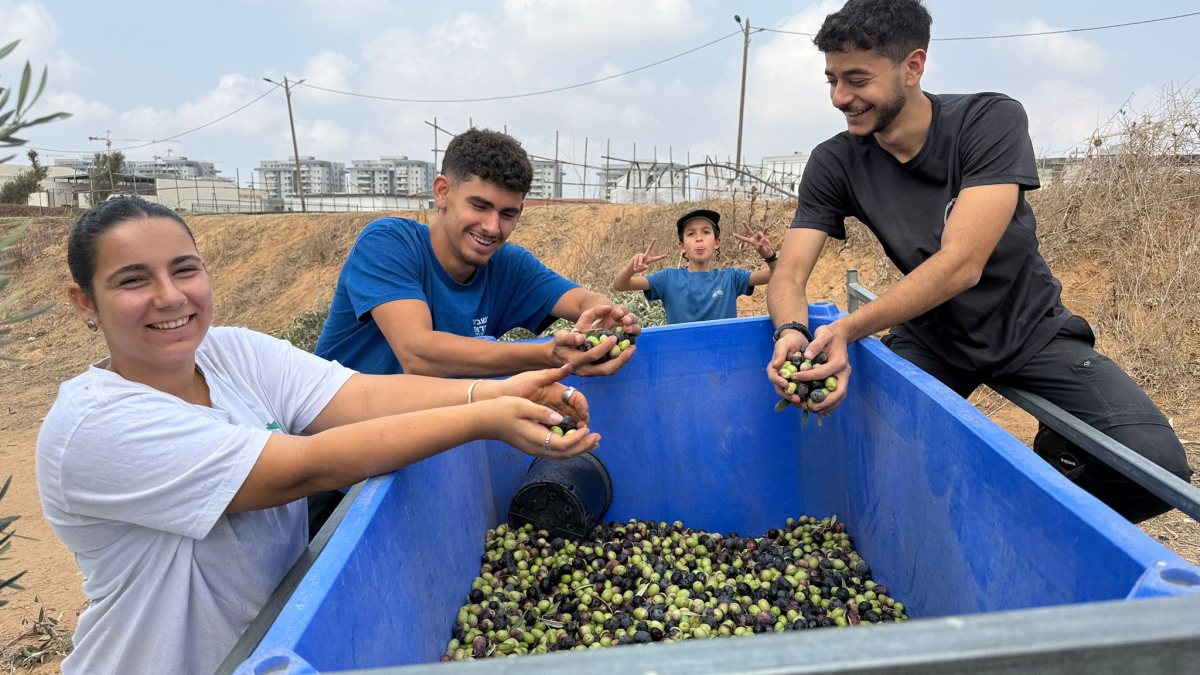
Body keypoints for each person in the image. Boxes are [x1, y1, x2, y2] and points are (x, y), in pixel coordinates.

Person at [37, 196, 600, 675]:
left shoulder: (232, 353)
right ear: (85, 301)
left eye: (184, 269)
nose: (170, 296)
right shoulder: (96, 426)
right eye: (133, 280)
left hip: (266, 645)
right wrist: (484, 417)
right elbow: (304, 467)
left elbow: (362, 397)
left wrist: (503, 391)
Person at [766, 0, 1192, 523]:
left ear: (913, 66)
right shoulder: (835, 161)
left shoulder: (986, 120)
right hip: (932, 337)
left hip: (1028, 330)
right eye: (831, 79)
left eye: (857, 80)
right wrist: (789, 329)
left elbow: (962, 262)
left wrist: (850, 328)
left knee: (1157, 472)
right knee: (885, 463)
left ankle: (1026, 518)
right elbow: (789, 272)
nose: (840, 97)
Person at [315, 127, 640, 379]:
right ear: (443, 192)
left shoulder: (509, 266)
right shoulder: (388, 243)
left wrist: (603, 316)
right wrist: (546, 355)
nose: (492, 227)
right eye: (479, 206)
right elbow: (417, 353)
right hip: (336, 445)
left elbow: (582, 301)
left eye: (507, 214)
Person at [612, 208, 778, 324]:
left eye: (706, 232)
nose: (699, 239)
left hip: (723, 359)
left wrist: (768, 255)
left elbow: (777, 275)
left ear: (717, 242)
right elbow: (620, 285)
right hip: (682, 358)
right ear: (682, 246)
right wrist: (631, 268)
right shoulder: (668, 278)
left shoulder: (730, 278)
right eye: (691, 234)